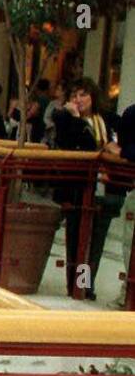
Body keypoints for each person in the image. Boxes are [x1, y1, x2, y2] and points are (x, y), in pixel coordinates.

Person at [53, 78, 132, 298]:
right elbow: (82, 144)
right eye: (75, 95)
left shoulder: (108, 119)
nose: (79, 100)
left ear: (93, 97)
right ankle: (76, 286)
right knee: (76, 239)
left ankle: (87, 284)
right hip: (77, 189)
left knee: (95, 243)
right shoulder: (64, 118)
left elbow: (121, 145)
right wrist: (78, 120)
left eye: (83, 95)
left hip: (106, 189)